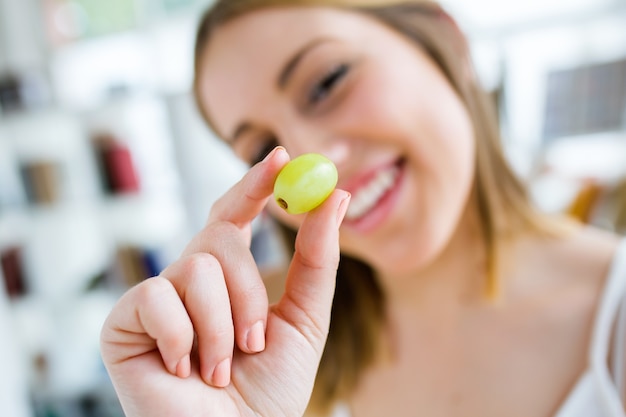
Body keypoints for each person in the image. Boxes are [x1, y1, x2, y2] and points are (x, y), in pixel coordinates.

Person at [99, 1, 626, 416]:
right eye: (263, 149)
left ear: (447, 38)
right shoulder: (256, 353)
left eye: (328, 82)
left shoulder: (612, 319)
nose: (316, 161)